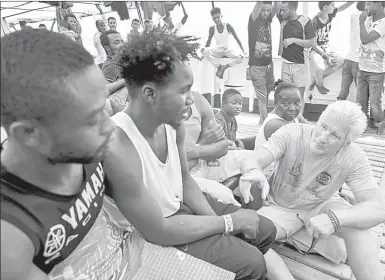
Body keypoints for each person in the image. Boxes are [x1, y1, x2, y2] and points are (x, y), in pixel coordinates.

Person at [1, 29, 237, 280]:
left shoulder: (85, 150)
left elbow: (159, 219)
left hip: (134, 253)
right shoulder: (11, 235)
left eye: (105, 106)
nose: (109, 125)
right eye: (92, 119)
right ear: (30, 134)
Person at [102, 29, 285, 280]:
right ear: (149, 94)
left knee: (264, 229)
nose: (191, 100)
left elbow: (185, 181)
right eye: (183, 91)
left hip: (178, 208)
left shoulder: (170, 124)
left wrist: (221, 227)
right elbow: (158, 230)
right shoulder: (118, 145)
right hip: (148, 233)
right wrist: (229, 223)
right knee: (251, 263)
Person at [240, 100, 385, 280]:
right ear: (318, 120)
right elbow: (254, 159)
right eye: (323, 126)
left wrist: (335, 219)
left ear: (346, 143)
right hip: (279, 207)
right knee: (248, 235)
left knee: (358, 231)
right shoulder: (292, 133)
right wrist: (253, 171)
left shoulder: (354, 156)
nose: (323, 137)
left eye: (335, 135)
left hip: (320, 204)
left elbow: (378, 209)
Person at [357, 1, 385, 135]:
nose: (365, 8)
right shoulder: (369, 19)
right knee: (360, 103)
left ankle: (381, 130)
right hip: (362, 68)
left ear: (378, 3)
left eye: (368, 4)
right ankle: (363, 128)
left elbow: (365, 39)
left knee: (375, 104)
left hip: (378, 72)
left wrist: (361, 23)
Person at [276, 1, 315, 115]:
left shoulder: (305, 21)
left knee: (299, 95)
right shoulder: (283, 19)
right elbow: (276, 4)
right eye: (281, 10)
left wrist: (293, 40)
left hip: (300, 64)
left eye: (284, 10)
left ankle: (298, 121)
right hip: (285, 64)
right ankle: (287, 121)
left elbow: (311, 43)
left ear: (293, 9)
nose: (281, 12)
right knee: (285, 94)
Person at [309, 2, 354, 95]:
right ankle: (319, 84)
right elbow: (313, 44)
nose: (334, 7)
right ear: (325, 7)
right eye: (332, 5)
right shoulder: (314, 22)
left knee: (341, 61)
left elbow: (342, 7)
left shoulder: (330, 15)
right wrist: (326, 57)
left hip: (326, 48)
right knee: (320, 68)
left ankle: (317, 79)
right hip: (315, 50)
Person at [248, 2, 276, 126]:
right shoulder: (253, 20)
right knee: (262, 98)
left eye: (267, 10)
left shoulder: (268, 19)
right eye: (263, 10)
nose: (265, 13)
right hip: (256, 66)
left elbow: (278, 5)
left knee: (268, 92)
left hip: (269, 65)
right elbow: (259, 3)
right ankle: (265, 126)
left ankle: (261, 120)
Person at [201, 7, 245, 79]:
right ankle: (219, 66)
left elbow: (237, 39)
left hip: (228, 50)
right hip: (218, 50)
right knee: (203, 50)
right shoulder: (212, 28)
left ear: (221, 16)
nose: (216, 20)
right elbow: (208, 42)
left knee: (242, 58)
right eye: (214, 18)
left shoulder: (228, 26)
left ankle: (224, 67)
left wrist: (244, 52)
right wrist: (204, 55)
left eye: (218, 17)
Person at [338, 2, 366, 100]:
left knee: (343, 92)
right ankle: (361, 115)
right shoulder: (368, 18)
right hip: (359, 61)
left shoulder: (353, 15)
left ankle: (338, 112)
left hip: (348, 59)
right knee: (362, 96)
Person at [100, 30, 128, 110]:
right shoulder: (110, 66)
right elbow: (103, 90)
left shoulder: (121, 61)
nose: (122, 45)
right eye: (117, 43)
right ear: (107, 47)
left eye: (122, 41)